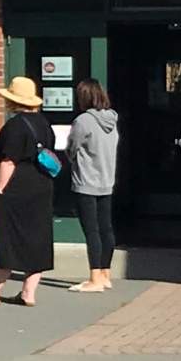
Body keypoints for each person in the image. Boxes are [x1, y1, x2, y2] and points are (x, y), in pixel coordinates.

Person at [0, 76, 55, 308]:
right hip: (42, 184)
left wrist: (0, 189)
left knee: (7, 237)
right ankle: (29, 292)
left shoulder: (15, 126)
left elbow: (8, 161)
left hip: (17, 187)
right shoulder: (44, 123)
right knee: (38, 238)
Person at [66, 79, 120, 293]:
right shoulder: (112, 119)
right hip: (107, 180)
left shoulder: (83, 121)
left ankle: (94, 278)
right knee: (106, 228)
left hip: (86, 182)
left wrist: (71, 159)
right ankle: (105, 274)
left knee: (91, 231)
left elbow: (72, 147)